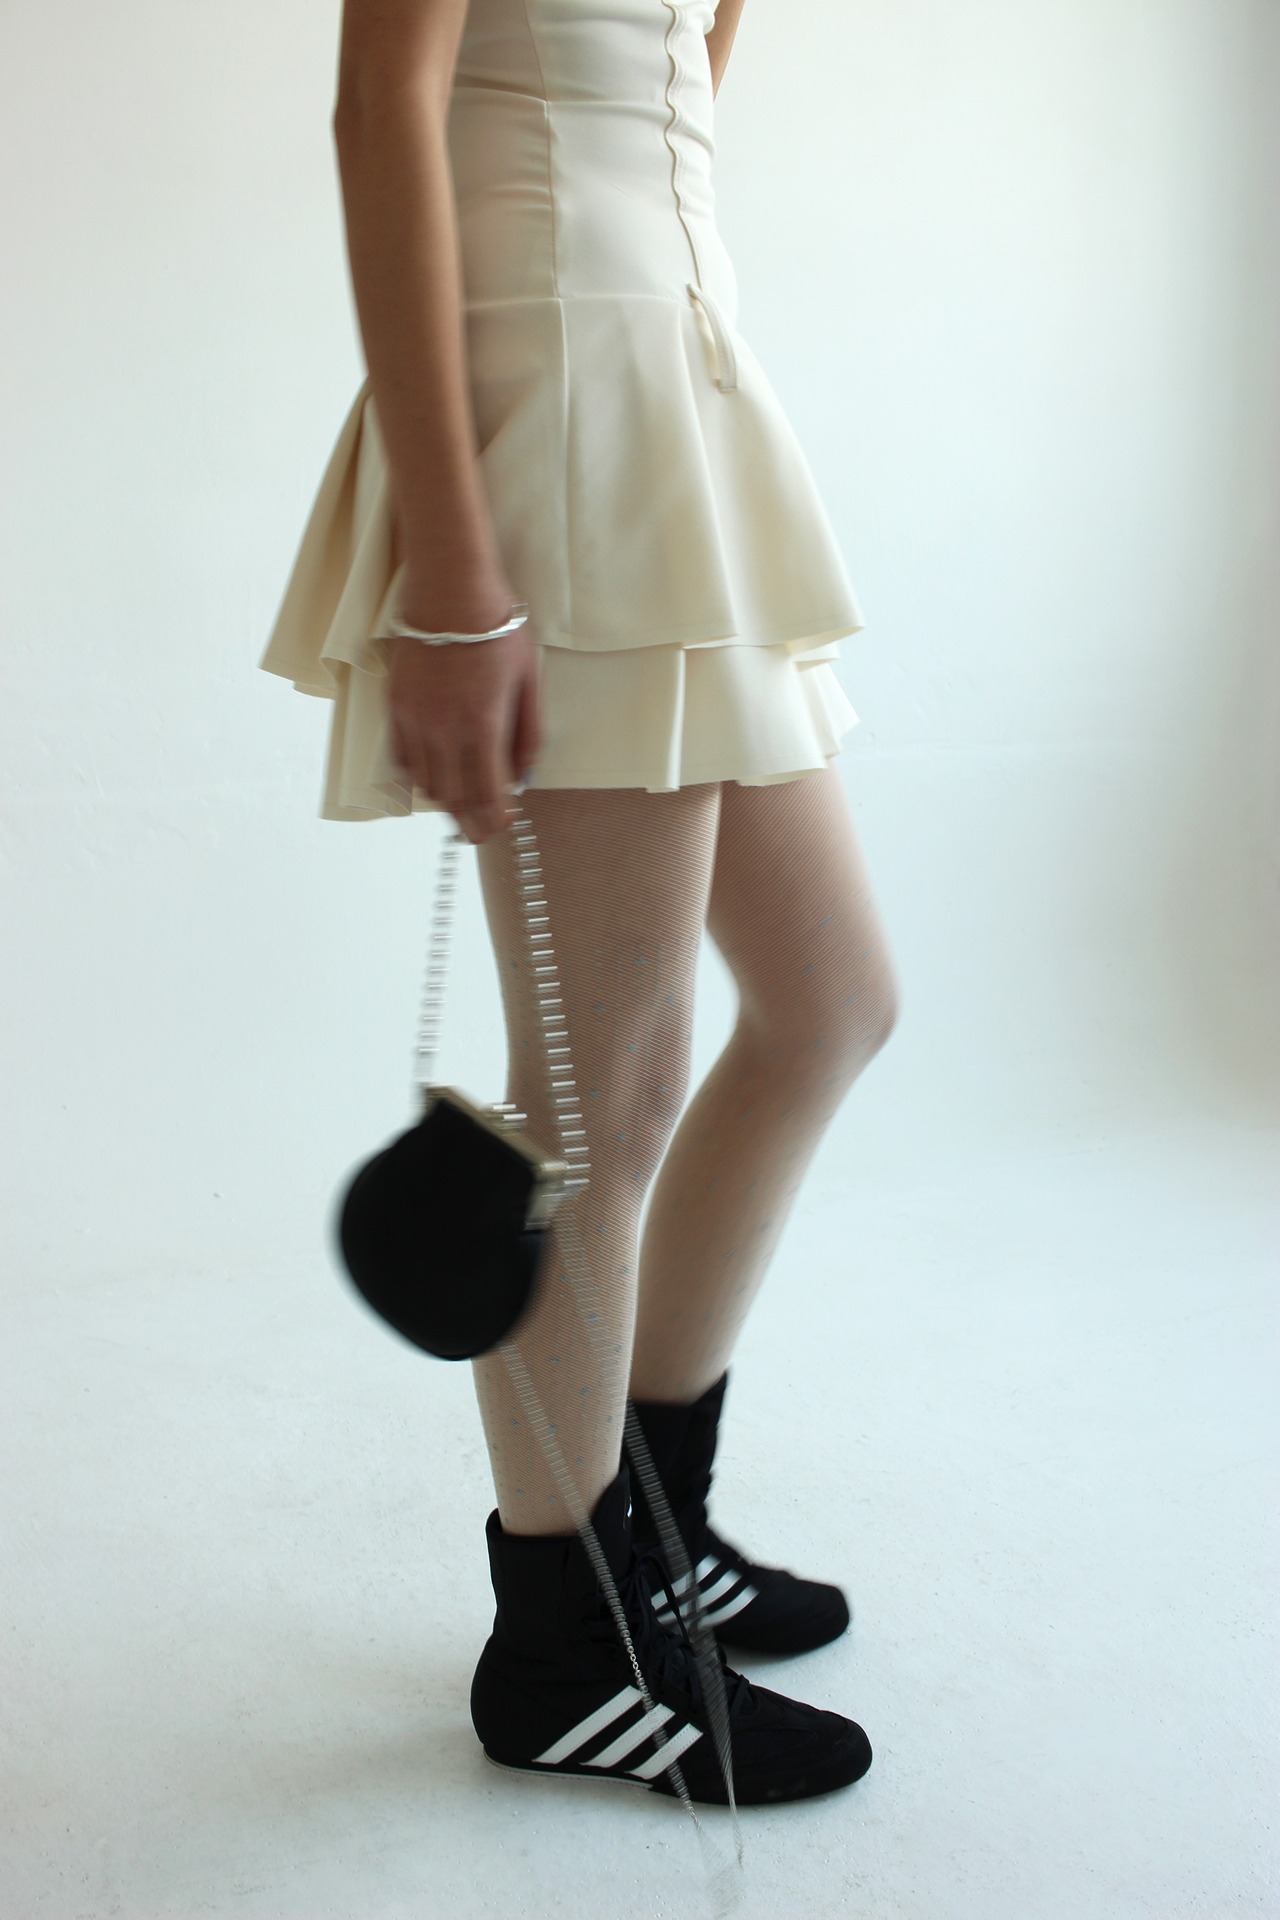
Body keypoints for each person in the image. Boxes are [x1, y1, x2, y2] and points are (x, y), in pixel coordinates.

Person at [260, 0, 899, 1806]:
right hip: (559, 425)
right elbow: (382, 105)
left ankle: (650, 1531)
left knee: (830, 1001)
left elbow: (674, 85)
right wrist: (456, 577)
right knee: (600, 1094)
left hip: (671, 396)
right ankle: (564, 1648)